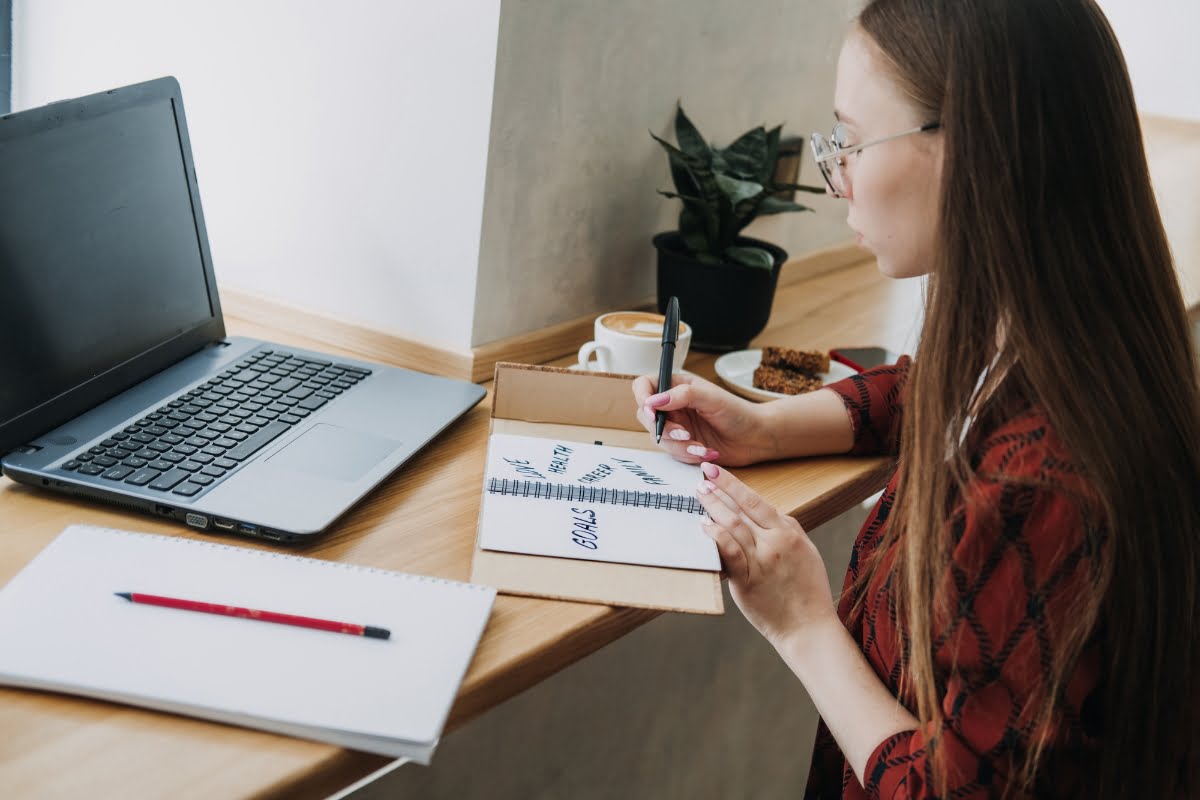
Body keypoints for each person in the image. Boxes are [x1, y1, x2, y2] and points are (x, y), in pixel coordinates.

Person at [633, 1, 1200, 797]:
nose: (837, 178)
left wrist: (800, 623)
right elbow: (934, 391)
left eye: (852, 141)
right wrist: (765, 429)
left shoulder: (1041, 491)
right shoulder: (1069, 344)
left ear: (971, 149)